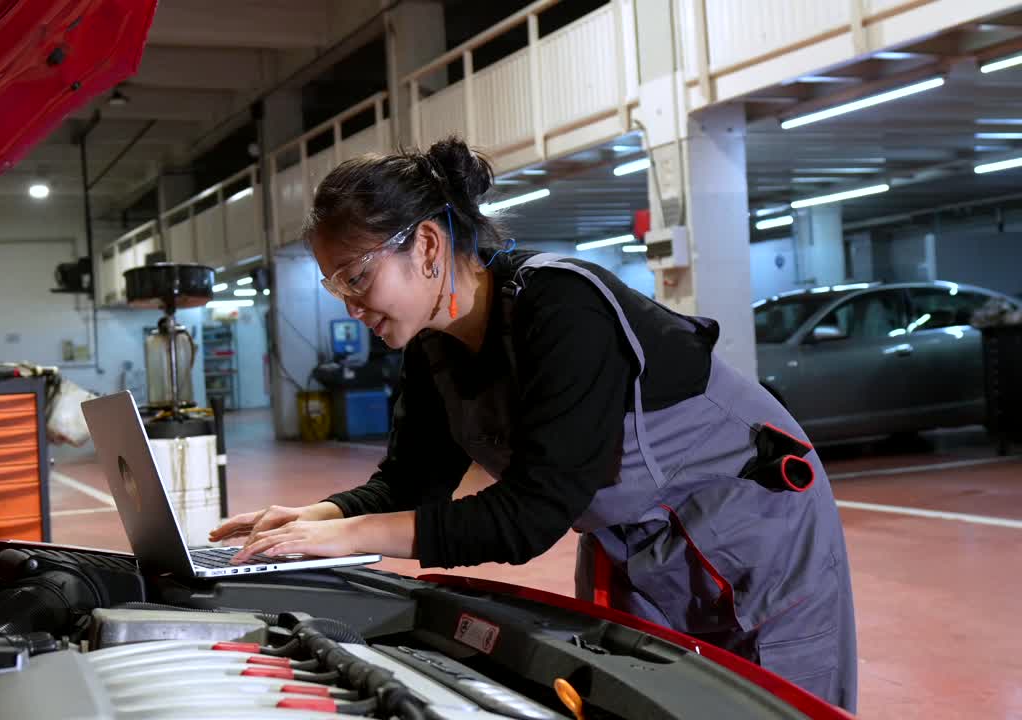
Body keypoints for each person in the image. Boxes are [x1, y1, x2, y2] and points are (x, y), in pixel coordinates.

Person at [210, 137, 858, 711]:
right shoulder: (431, 347)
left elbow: (533, 513)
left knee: (773, 705)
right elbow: (411, 482)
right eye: (336, 287)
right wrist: (314, 519)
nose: (351, 305)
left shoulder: (561, 306)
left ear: (428, 246)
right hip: (634, 540)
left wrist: (350, 538)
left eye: (357, 277)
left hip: (754, 534)